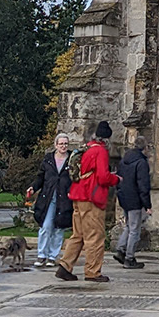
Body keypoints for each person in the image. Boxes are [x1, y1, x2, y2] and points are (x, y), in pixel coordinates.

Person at [53, 121, 119, 283]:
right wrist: (116, 178)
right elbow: (103, 177)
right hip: (91, 198)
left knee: (78, 235)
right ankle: (92, 271)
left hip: (78, 195)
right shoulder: (100, 151)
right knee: (95, 236)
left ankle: (65, 266)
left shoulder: (86, 148)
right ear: (106, 139)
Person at [27, 133, 73, 268]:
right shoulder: (48, 160)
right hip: (48, 197)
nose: (63, 146)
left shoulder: (72, 159)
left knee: (59, 228)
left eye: (65, 143)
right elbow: (40, 177)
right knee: (46, 226)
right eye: (61, 144)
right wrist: (33, 187)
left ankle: (52, 256)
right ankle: (42, 255)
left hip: (64, 198)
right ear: (56, 145)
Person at [113, 129, 152, 269]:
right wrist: (147, 204)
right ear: (144, 148)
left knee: (129, 226)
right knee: (135, 229)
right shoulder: (141, 163)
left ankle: (120, 249)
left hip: (124, 197)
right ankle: (129, 258)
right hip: (135, 199)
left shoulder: (125, 160)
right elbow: (143, 185)